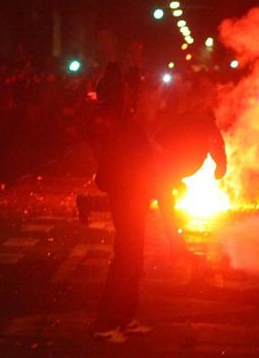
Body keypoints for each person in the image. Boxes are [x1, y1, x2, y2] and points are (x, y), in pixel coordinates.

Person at [90, 63, 155, 343]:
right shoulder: (115, 121)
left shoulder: (122, 119)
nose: (134, 95)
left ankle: (125, 318)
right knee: (126, 258)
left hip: (134, 193)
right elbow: (115, 162)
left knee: (134, 257)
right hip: (127, 193)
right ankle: (105, 324)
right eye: (129, 90)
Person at [154, 103, 227, 258]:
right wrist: (221, 166)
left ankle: (174, 242)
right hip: (179, 164)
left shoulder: (182, 121)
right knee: (165, 198)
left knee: (167, 193)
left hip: (167, 164)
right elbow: (217, 144)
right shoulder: (207, 123)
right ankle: (174, 244)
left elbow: (160, 138)